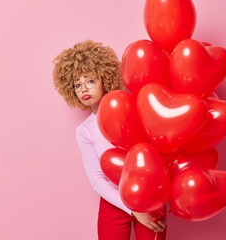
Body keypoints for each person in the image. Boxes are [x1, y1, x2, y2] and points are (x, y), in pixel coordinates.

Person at [52, 40, 167, 240]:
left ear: (105, 78)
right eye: (77, 85)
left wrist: (153, 202)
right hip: (112, 203)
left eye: (90, 81)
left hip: (148, 197)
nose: (83, 89)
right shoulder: (85, 131)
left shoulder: (132, 109)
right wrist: (132, 210)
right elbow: (97, 180)